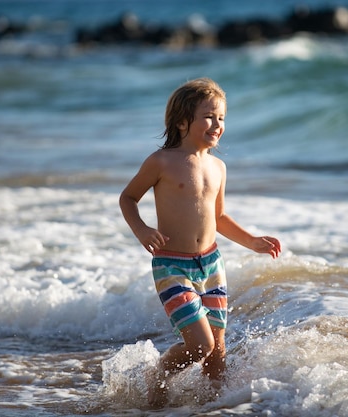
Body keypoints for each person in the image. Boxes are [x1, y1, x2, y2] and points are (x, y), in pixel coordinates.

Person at [119, 77, 281, 408]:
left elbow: (219, 217)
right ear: (182, 121)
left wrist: (252, 241)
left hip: (211, 264)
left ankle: (210, 406)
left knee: (217, 351)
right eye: (208, 116)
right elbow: (128, 197)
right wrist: (142, 230)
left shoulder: (218, 167)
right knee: (199, 345)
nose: (217, 124)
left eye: (221, 117)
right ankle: (159, 375)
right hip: (172, 266)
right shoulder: (161, 161)